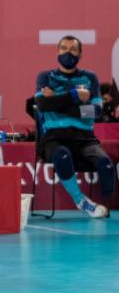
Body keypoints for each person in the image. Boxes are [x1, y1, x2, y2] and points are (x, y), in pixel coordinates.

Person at [34, 35, 113, 217]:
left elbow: (96, 111)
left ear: (81, 54)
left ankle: (108, 208)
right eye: (63, 48)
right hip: (54, 137)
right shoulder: (46, 76)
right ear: (57, 51)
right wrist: (75, 96)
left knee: (106, 165)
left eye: (73, 49)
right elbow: (42, 105)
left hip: (85, 138)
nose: (67, 53)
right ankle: (81, 201)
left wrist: (57, 101)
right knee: (62, 157)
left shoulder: (90, 77)